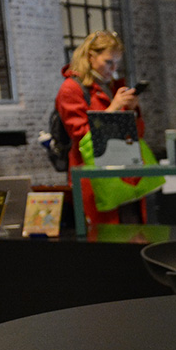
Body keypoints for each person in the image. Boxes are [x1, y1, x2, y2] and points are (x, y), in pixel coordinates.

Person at [56, 29, 143, 226]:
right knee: (102, 235)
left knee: (134, 235)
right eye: (108, 62)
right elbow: (81, 135)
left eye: (117, 63)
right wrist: (114, 108)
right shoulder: (71, 88)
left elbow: (137, 135)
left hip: (124, 173)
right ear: (90, 57)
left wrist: (133, 111)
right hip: (93, 177)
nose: (113, 68)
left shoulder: (111, 87)